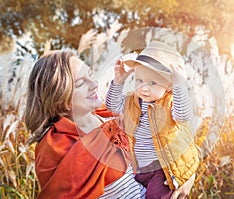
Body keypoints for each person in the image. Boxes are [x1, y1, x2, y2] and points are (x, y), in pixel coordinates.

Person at [24, 49, 147, 198]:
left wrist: (183, 181)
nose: (95, 84)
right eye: (81, 82)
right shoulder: (55, 148)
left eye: (90, 74)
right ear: (59, 96)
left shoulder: (113, 117)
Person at [106, 41, 199, 199]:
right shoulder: (133, 101)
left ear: (169, 86)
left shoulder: (169, 103)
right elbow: (112, 106)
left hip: (162, 170)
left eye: (152, 83)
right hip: (139, 169)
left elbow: (183, 116)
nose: (143, 88)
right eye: (139, 80)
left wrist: (179, 86)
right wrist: (118, 82)